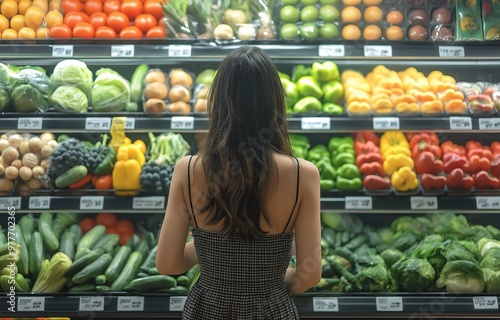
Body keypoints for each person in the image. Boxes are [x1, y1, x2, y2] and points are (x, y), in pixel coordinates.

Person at [156, 46, 321, 319]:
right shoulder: (305, 174)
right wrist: (273, 284)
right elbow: (309, 274)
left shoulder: (188, 170)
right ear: (276, 103)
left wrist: (208, 249)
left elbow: (168, 263)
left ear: (218, 102)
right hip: (271, 309)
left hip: (207, 310)